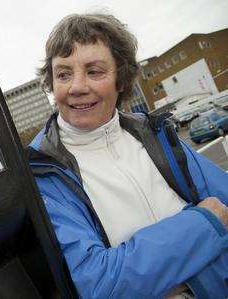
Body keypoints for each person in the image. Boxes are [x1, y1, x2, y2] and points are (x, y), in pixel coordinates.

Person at [27, 13, 228, 298]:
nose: (77, 87)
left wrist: (169, 279)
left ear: (120, 80)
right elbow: (100, 286)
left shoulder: (155, 134)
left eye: (94, 71)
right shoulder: (44, 173)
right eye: (63, 74)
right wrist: (206, 225)